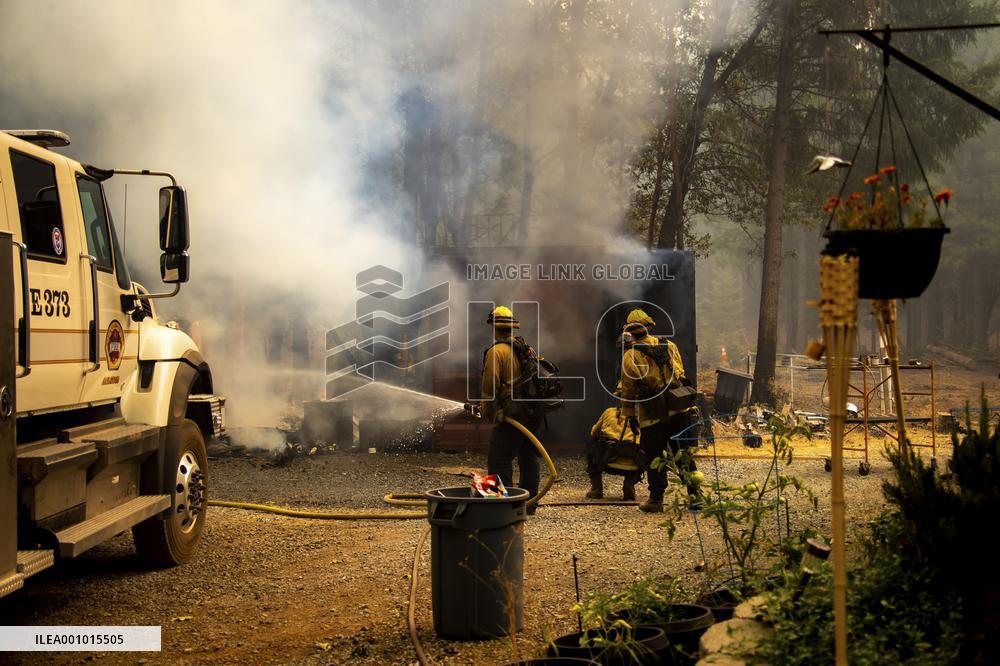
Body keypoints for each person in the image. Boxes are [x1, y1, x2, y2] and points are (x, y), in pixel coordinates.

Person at [618, 308, 699, 512]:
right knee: (684, 456)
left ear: (629, 332)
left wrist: (630, 416)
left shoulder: (630, 355)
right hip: (679, 409)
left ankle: (656, 500)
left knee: (655, 457)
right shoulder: (669, 345)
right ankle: (695, 497)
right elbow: (680, 373)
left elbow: (628, 389)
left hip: (652, 416)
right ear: (648, 327)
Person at [480, 306, 542, 510]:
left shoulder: (496, 352)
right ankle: (529, 503)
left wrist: (489, 410)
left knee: (498, 459)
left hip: (513, 415)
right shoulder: (526, 348)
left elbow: (490, 387)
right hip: (532, 412)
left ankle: (501, 507)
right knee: (528, 455)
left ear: (493, 327)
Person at [586, 384, 643, 501]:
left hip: (608, 460)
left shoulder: (609, 412)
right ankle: (629, 484)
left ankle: (596, 489)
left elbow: (594, 433)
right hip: (634, 465)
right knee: (647, 449)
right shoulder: (644, 417)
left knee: (591, 443)